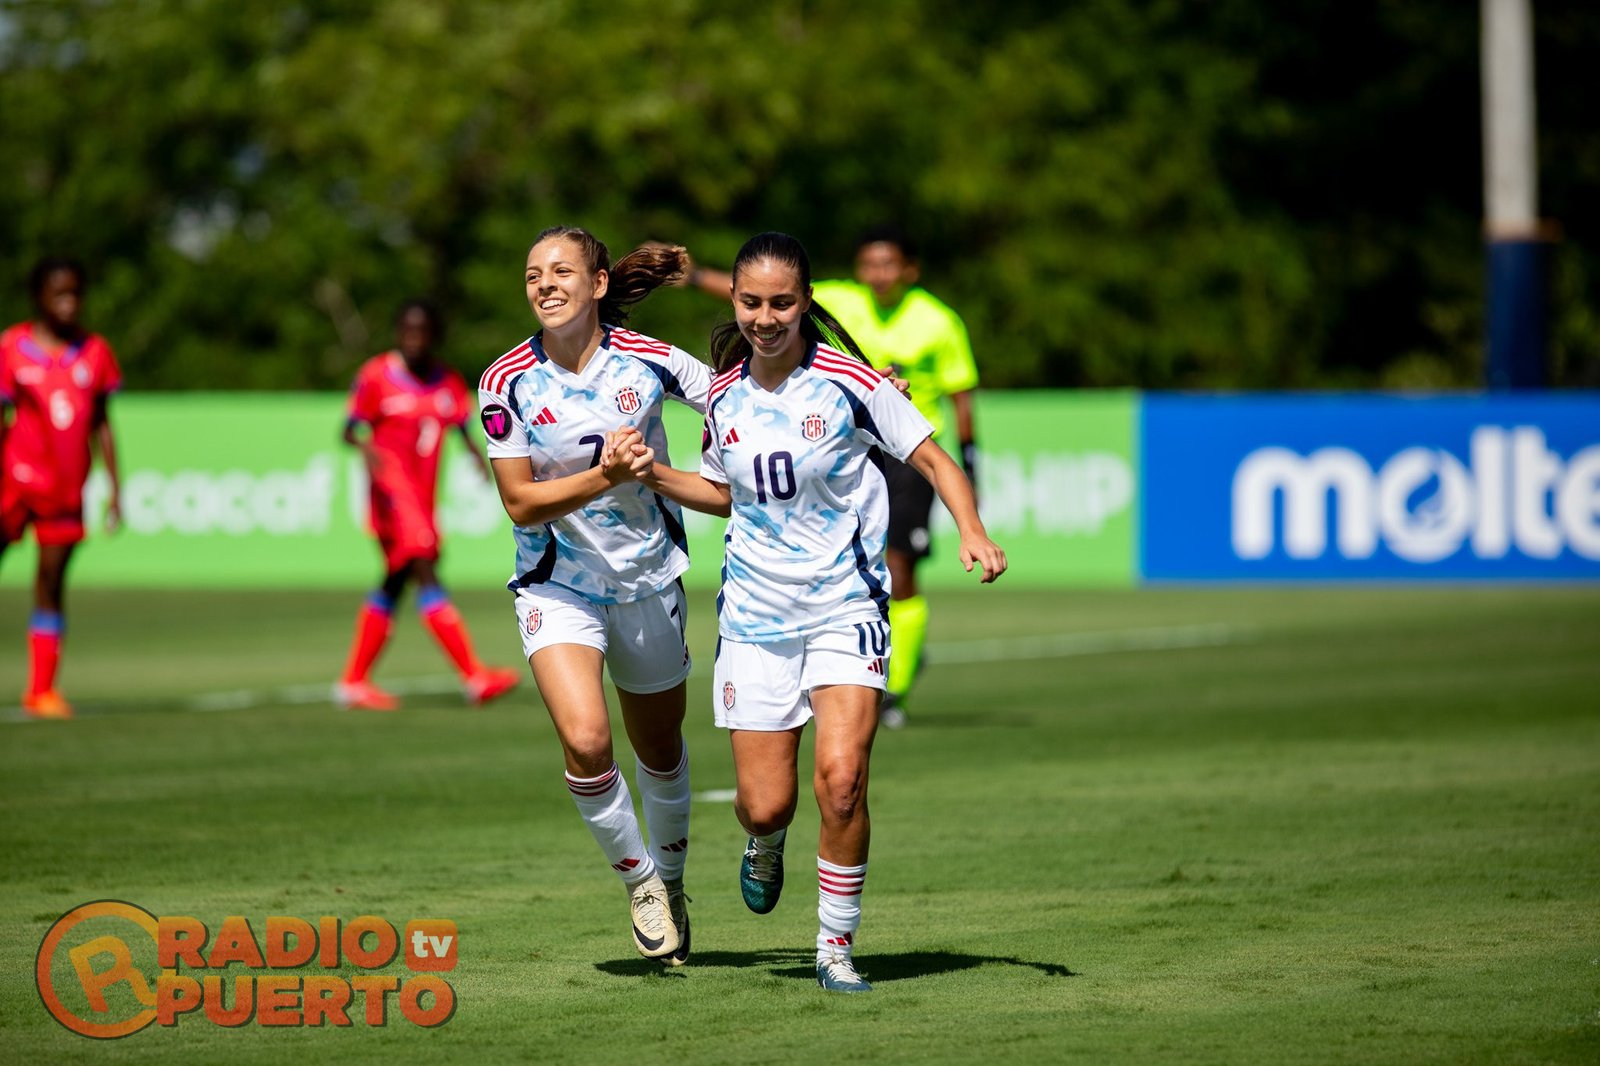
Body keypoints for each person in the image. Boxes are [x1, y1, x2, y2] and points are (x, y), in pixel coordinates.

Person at [623, 232, 1006, 992]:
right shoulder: (723, 394)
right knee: (767, 807)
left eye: (782, 303)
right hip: (755, 618)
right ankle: (765, 845)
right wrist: (654, 474)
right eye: (752, 303)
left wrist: (971, 527)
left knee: (842, 781)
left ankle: (835, 947)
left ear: (805, 304)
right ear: (736, 303)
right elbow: (722, 493)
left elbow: (933, 458)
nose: (765, 318)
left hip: (845, 607)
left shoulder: (852, 382)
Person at [477, 226, 714, 965]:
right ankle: (641, 884)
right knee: (585, 740)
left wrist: (863, 391)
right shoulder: (505, 380)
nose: (545, 285)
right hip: (557, 585)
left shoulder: (651, 360)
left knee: (661, 750)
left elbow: (746, 394)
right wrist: (607, 476)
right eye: (532, 275)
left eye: (561, 271)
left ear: (599, 283)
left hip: (647, 578)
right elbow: (521, 503)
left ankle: (673, 882)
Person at [688, 225, 980, 729]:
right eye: (870, 264)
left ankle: (895, 679)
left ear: (909, 269)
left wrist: (969, 468)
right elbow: (759, 286)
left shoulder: (937, 321)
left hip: (899, 451)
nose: (878, 274)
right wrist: (691, 275)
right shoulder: (839, 299)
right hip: (810, 467)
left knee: (901, 566)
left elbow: (960, 393)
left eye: (888, 264)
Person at [335, 299, 521, 712]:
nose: (414, 339)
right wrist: (366, 448)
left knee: (396, 578)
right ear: (398, 333)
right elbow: (348, 430)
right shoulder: (376, 376)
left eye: (422, 332)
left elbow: (463, 427)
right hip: (391, 494)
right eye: (407, 331)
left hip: (421, 496)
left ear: (433, 336)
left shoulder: (446, 382)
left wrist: (476, 455)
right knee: (423, 566)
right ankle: (473, 676)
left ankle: (354, 681)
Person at [0, 257, 123, 720]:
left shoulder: (95, 351)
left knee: (50, 583)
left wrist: (116, 486)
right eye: (59, 294)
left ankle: (42, 690)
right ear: (39, 298)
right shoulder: (11, 348)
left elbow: (103, 422)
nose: (69, 303)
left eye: (75, 294)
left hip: (66, 489)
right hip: (14, 481)